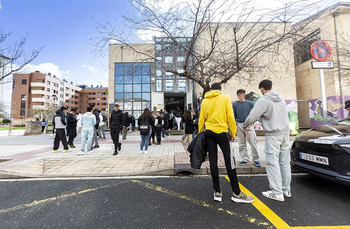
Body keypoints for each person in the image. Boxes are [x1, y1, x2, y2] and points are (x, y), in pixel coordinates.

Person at [198, 83, 254, 203]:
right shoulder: (225, 98)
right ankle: (236, 193)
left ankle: (217, 192)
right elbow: (230, 116)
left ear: (211, 90)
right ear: (220, 90)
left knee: (213, 162)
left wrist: (199, 132)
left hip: (209, 133)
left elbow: (201, 117)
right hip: (222, 133)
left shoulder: (205, 100)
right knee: (230, 162)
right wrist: (233, 133)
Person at [243, 79, 291, 202]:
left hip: (273, 135)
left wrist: (244, 126)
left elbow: (251, 117)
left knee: (272, 163)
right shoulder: (281, 98)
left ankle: (277, 192)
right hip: (285, 134)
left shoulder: (263, 101)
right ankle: (286, 189)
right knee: (284, 162)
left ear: (262, 89)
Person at [232, 89, 260, 167]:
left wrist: (251, 123)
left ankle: (256, 159)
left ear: (244, 95)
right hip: (239, 124)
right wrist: (235, 126)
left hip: (249, 124)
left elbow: (255, 114)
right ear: (237, 95)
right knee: (241, 143)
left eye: (242, 94)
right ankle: (245, 159)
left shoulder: (250, 104)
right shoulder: (235, 105)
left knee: (253, 142)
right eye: (239, 94)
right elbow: (233, 116)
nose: (241, 96)